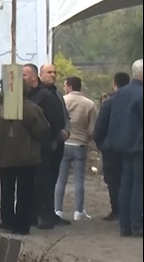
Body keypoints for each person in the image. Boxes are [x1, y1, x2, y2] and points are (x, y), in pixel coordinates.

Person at [0, 81, 50, 235]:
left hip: (4, 155)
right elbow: (43, 130)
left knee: (7, 190)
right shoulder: (31, 108)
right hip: (27, 157)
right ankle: (22, 225)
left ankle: (7, 221)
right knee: (25, 191)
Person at [95, 59, 143, 238]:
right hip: (139, 147)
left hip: (121, 147)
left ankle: (125, 225)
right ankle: (138, 224)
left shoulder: (119, 94)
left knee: (125, 186)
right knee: (139, 186)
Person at [22, 63, 69, 229]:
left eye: (54, 72)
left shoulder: (53, 94)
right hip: (38, 146)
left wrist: (62, 132)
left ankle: (47, 213)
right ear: (39, 75)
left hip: (51, 145)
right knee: (39, 182)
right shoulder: (37, 96)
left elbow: (61, 117)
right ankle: (39, 214)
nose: (53, 75)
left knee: (49, 180)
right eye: (49, 72)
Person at [54, 76, 97, 220]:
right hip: (80, 144)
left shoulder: (62, 101)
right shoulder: (89, 104)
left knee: (61, 179)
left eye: (65, 85)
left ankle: (58, 209)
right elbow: (92, 129)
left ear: (70, 87)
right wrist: (87, 139)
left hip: (64, 143)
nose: (64, 88)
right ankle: (79, 210)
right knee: (79, 179)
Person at [98, 72, 131, 221]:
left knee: (113, 180)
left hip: (110, 147)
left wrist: (100, 143)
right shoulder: (134, 99)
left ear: (114, 83)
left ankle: (116, 210)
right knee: (129, 178)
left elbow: (101, 125)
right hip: (130, 146)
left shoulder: (109, 102)